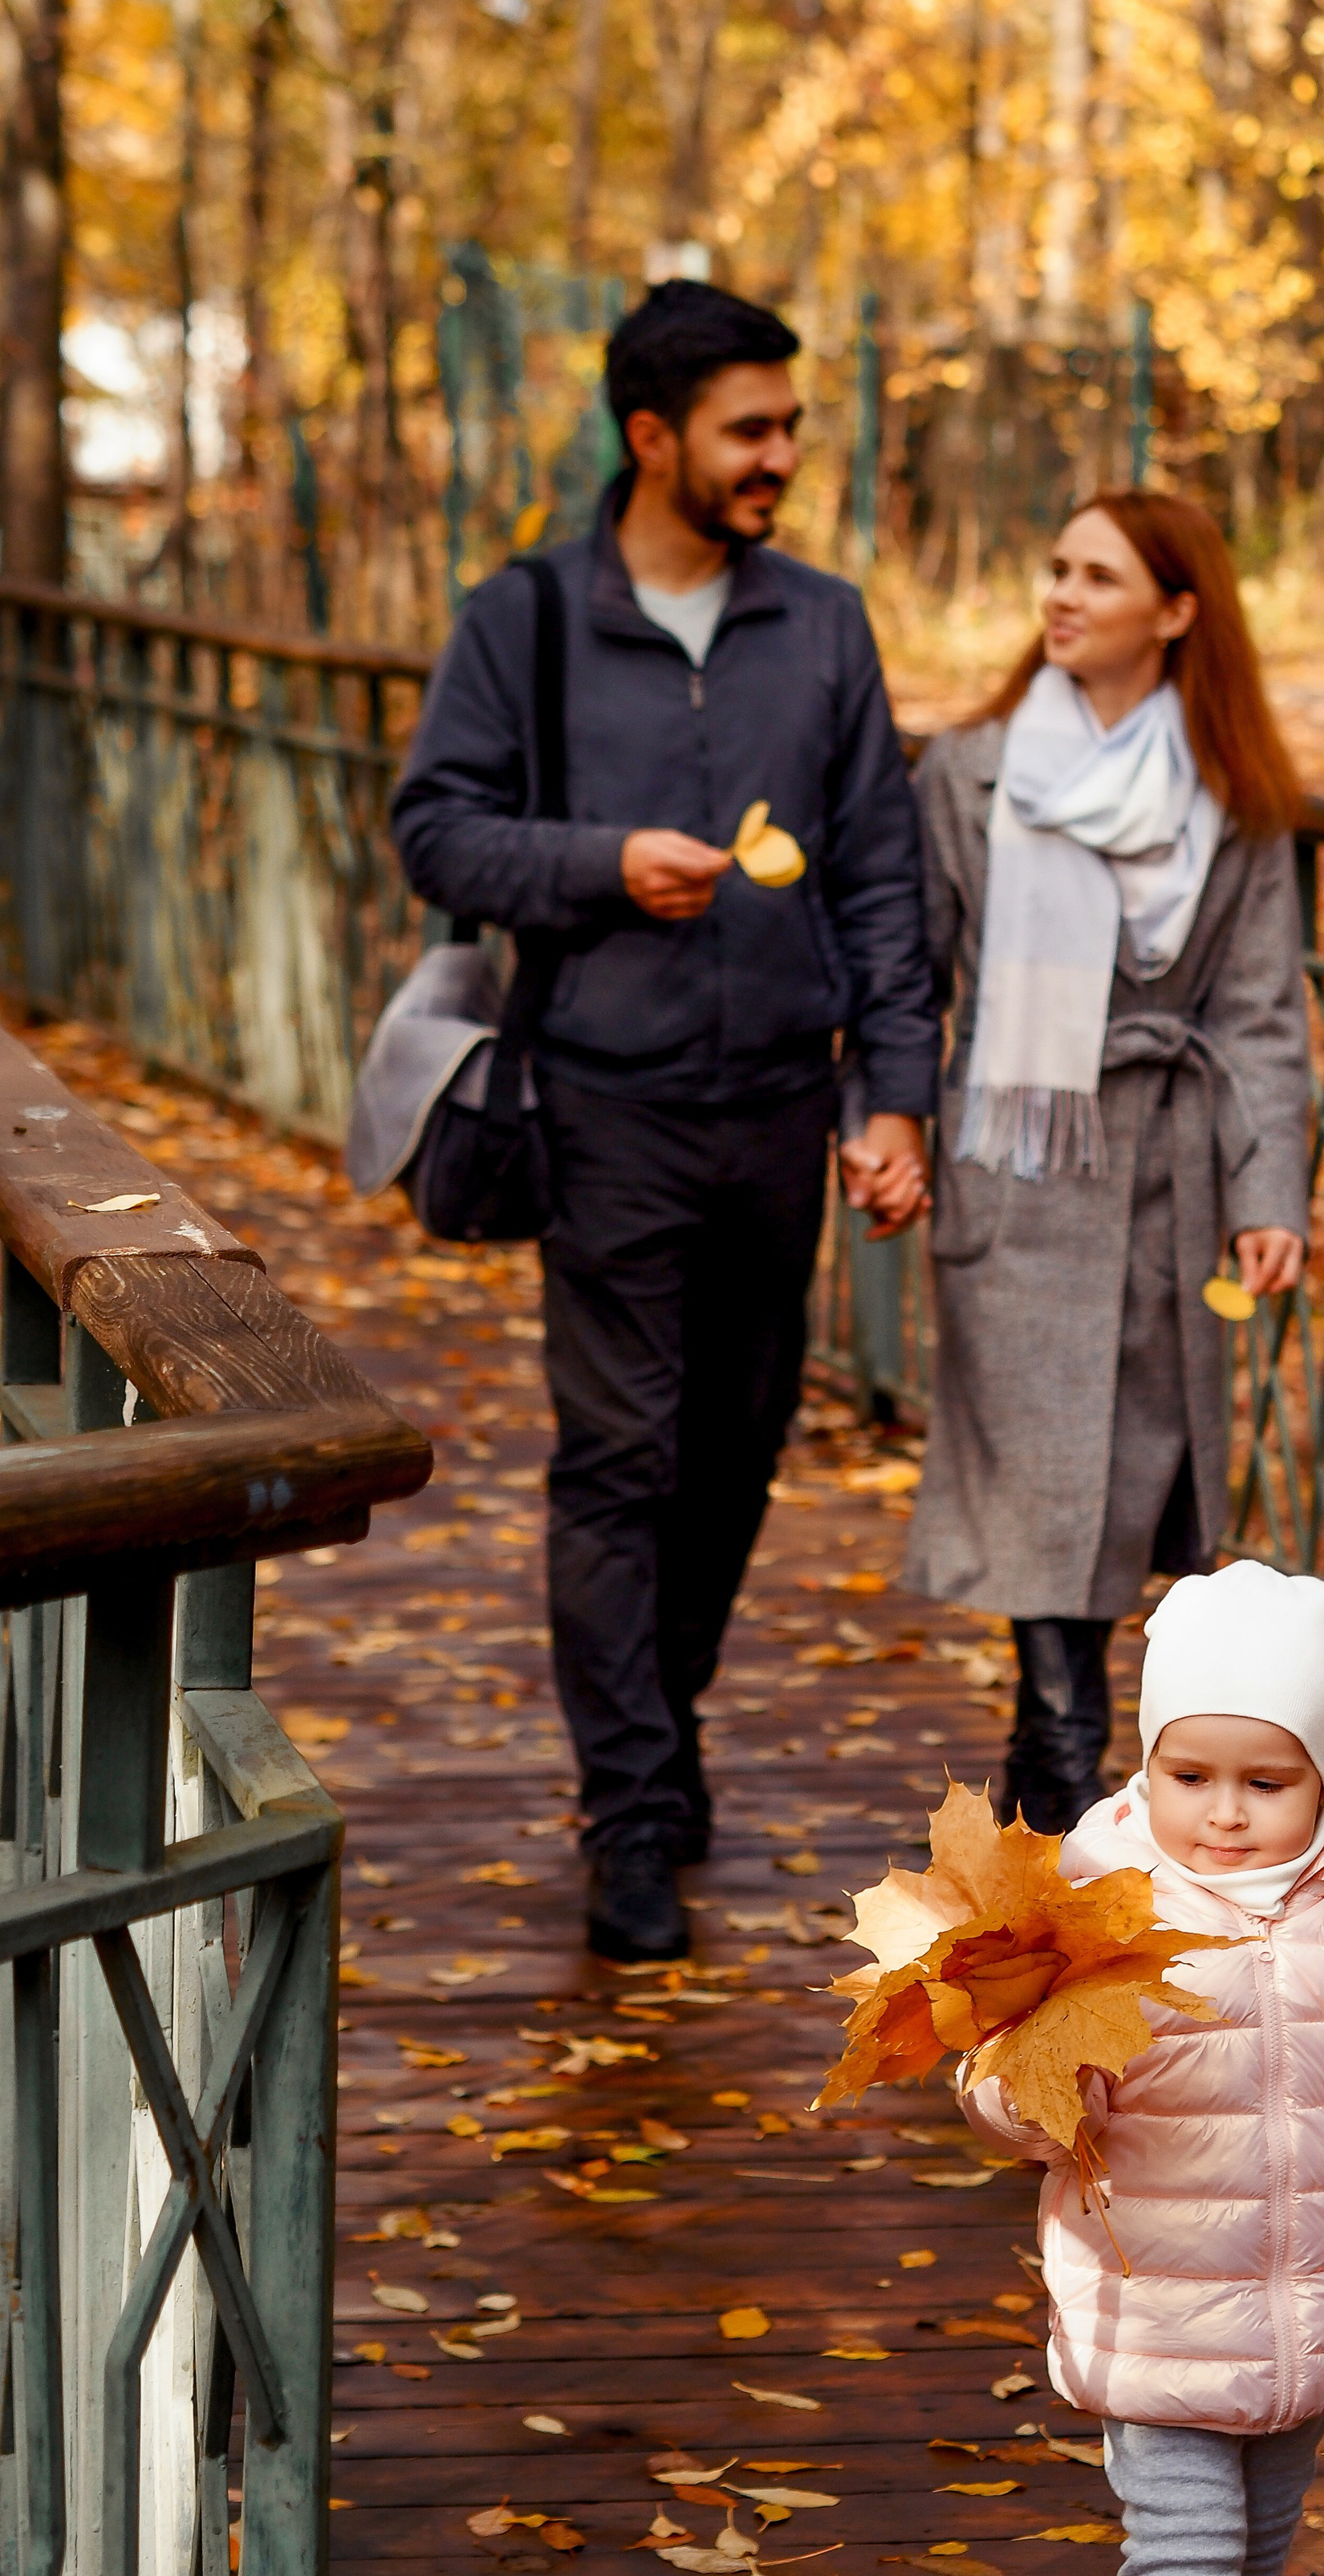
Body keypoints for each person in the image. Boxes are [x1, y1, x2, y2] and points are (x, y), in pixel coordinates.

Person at [391, 281, 940, 1964]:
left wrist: (894, 1090)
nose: (782, 454)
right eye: (748, 430)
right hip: (603, 1100)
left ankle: (659, 1712)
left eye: (789, 425)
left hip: (780, 1100)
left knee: (735, 1446)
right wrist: (597, 865)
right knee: (618, 1457)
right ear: (653, 438)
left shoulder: (824, 623)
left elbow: (877, 872)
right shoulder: (528, 616)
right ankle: (629, 1805)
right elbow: (436, 829)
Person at [902, 491, 1312, 1831]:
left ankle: (1059, 1736)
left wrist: (1267, 1191)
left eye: (1099, 575)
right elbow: (910, 973)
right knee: (1033, 1465)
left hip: (1164, 1170)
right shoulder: (971, 773)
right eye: (1056, 565)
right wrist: (892, 1120)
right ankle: (1065, 1743)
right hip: (1016, 1160)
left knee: (1131, 1467)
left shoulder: (1234, 793)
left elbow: (1256, 1005)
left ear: (1177, 611)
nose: (1062, 595)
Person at [959, 1559, 1324, 2576]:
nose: (1225, 1813)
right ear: (1149, 1765)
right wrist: (1035, 2083)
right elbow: (1010, 2093)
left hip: (1310, 2314)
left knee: (1261, 2549)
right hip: (1155, 2312)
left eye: (1266, 1782)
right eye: (1190, 1777)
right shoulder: (1096, 1915)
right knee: (1186, 2551)